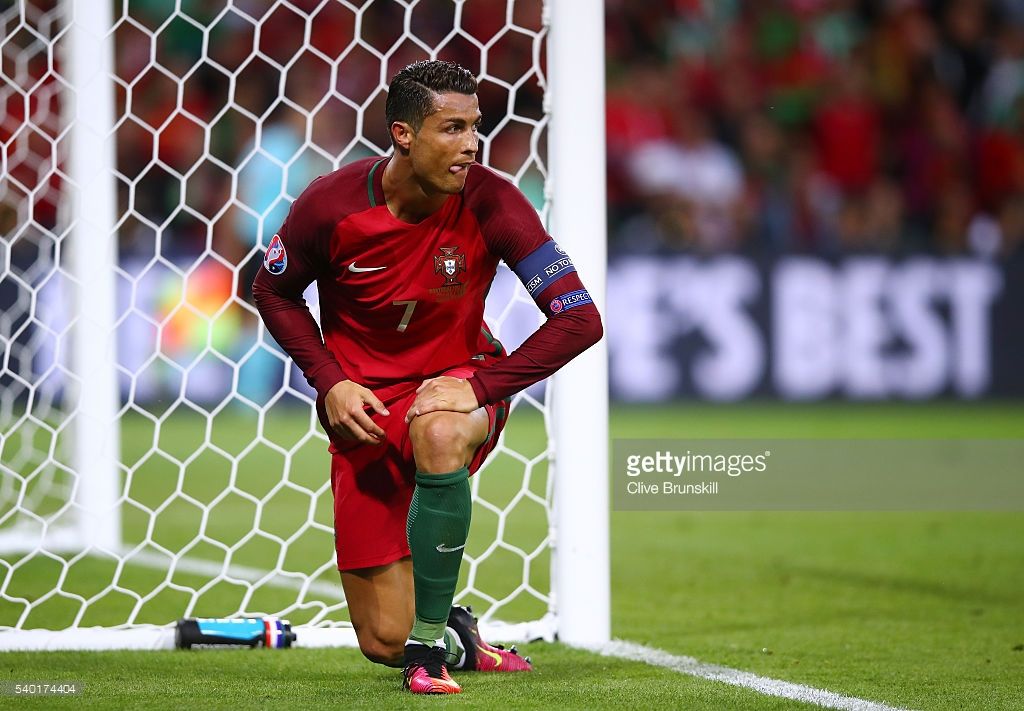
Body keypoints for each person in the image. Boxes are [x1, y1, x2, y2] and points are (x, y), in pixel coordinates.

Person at [252, 60, 603, 694]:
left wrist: (481, 386)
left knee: (439, 431)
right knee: (380, 640)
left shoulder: (495, 199)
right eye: (453, 128)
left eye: (477, 127)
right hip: (364, 413)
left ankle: (427, 656)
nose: (472, 144)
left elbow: (580, 320)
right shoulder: (328, 206)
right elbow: (273, 292)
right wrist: (329, 380)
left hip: (457, 384)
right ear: (403, 134)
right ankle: (449, 639)